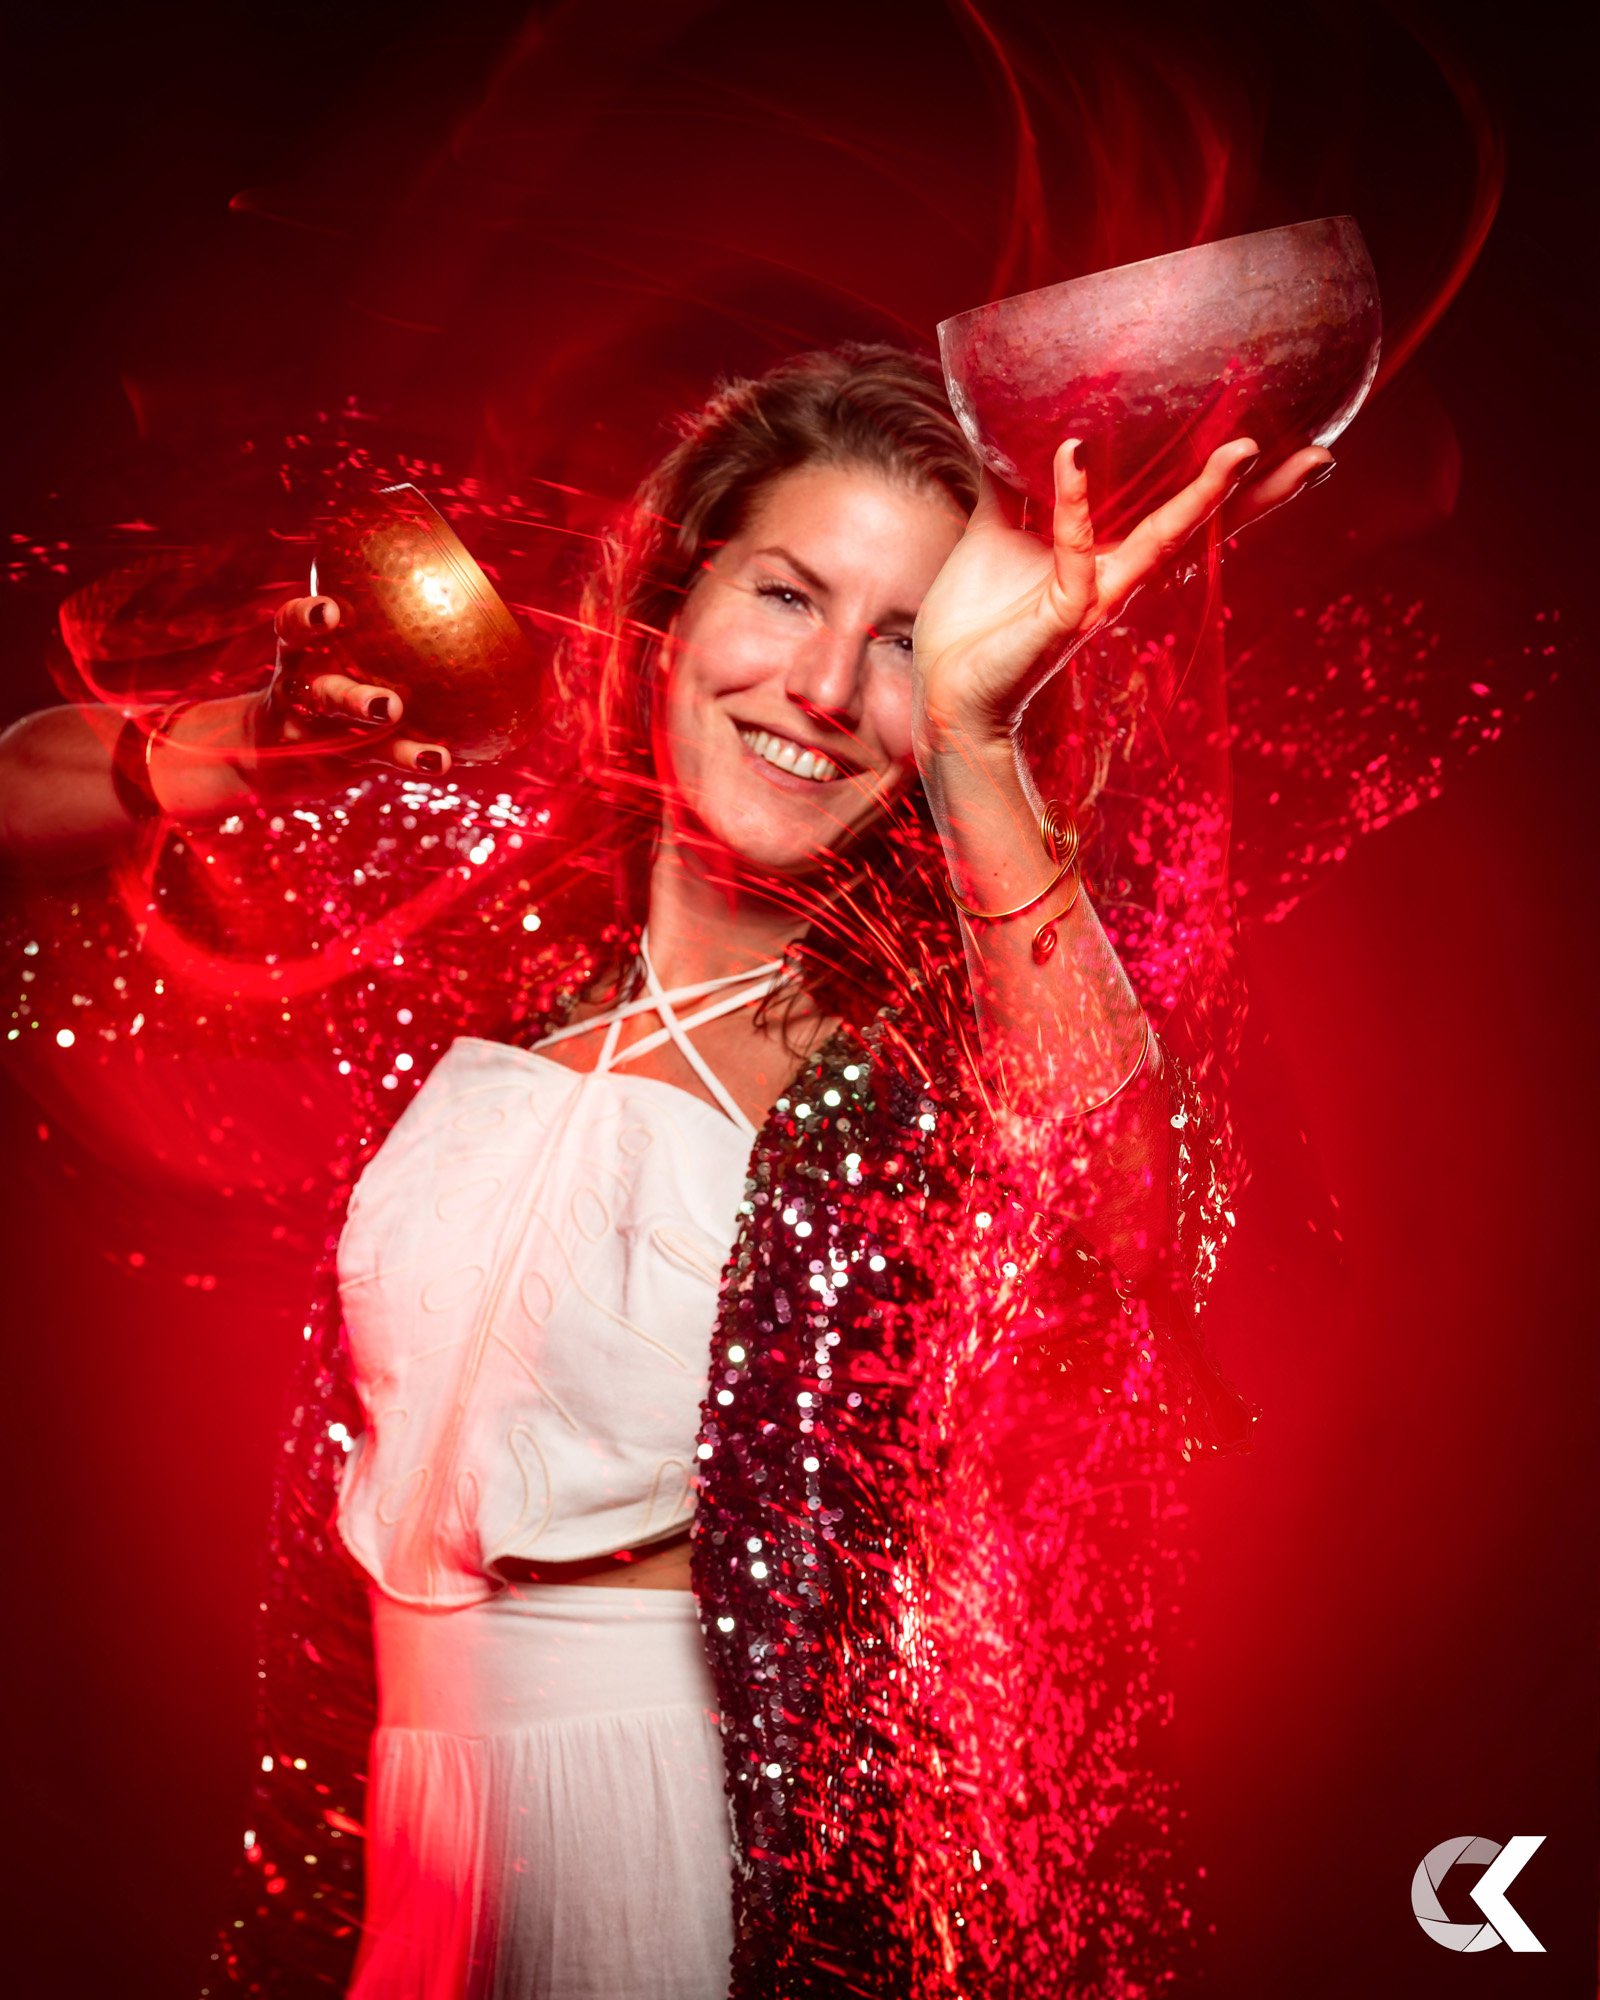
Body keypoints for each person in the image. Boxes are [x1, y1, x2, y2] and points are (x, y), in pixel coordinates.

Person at [0, 345, 1328, 1997]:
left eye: (908, 642)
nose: (824, 688)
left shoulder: (937, 1051)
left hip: (675, 1820)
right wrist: (242, 745)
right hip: (395, 1815)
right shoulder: (495, 925)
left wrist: (979, 750)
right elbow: (21, 793)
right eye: (786, 595)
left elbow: (1149, 1223)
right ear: (679, 606)